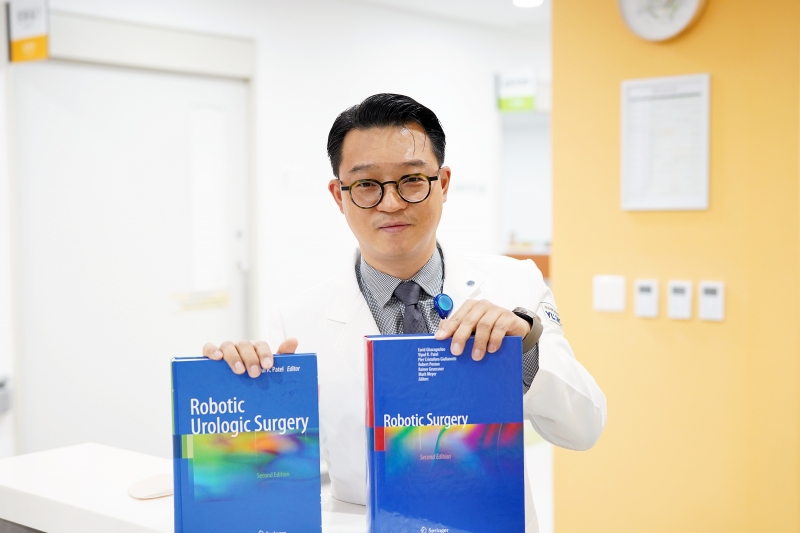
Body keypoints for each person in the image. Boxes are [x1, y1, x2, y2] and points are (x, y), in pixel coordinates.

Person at [203, 93, 606, 532]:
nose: (391, 203)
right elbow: (264, 474)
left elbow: (584, 428)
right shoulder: (295, 321)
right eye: (366, 184)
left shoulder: (514, 285)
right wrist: (243, 397)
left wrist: (524, 352)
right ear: (339, 195)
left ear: (443, 183)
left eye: (412, 179)